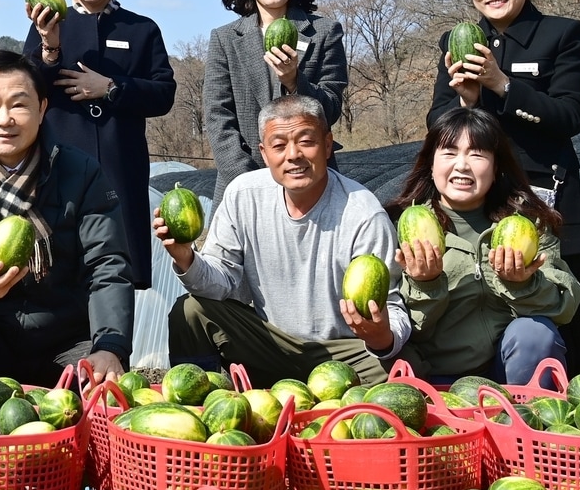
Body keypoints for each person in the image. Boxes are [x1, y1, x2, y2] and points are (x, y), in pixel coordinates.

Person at [427, 0, 580, 375]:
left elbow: (569, 114)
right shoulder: (456, 40)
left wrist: (503, 86)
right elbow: (437, 123)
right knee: (490, 302)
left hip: (549, 196)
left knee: (572, 305)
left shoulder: (562, 33)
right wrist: (466, 102)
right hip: (483, 199)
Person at [0, 51, 133, 386]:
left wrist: (109, 345)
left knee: (103, 374)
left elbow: (106, 264)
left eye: (18, 104)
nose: (5, 119)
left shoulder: (81, 172)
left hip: (65, 341)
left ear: (42, 108)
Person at [162, 95, 409, 386]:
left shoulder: (364, 214)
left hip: (342, 352)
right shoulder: (243, 194)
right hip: (269, 340)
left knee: (403, 368)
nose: (293, 155)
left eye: (306, 141)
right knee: (190, 311)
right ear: (264, 154)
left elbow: (392, 306)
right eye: (279, 145)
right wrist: (185, 257)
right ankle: (197, 402)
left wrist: (381, 336)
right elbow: (221, 280)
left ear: (327, 145)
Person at [23, 0, 176, 289]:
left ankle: (114, 347)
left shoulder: (141, 29)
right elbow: (28, 90)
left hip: (121, 168)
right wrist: (49, 47)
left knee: (119, 274)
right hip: (59, 168)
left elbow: (164, 94)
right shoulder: (49, 23)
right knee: (62, 275)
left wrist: (110, 87)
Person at [388, 107, 580, 387]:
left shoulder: (529, 223)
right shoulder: (399, 224)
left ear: (497, 166)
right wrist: (424, 285)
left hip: (508, 374)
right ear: (431, 164)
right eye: (449, 152)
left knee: (534, 333)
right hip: (432, 377)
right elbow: (397, 326)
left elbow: (564, 306)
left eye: (477, 153)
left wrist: (524, 285)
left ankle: (527, 421)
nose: (462, 165)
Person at [203, 0, 347, 209]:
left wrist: (295, 81)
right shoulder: (225, 39)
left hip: (310, 181)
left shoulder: (324, 32)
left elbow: (330, 108)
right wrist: (251, 182)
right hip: (241, 188)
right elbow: (218, 118)